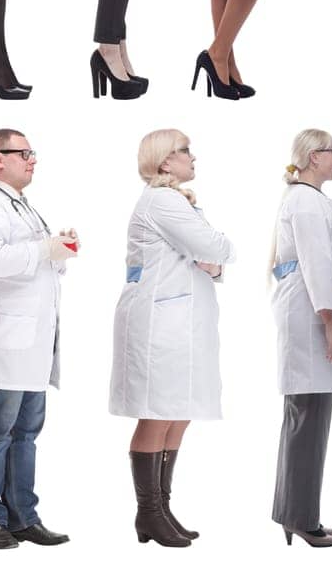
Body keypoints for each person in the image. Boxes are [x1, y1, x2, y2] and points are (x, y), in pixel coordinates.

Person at [110, 129, 236, 547]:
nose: (192, 157)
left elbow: (213, 262)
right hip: (159, 323)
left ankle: (162, 508)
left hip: (183, 320)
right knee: (158, 411)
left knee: (180, 410)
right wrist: (215, 257)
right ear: (164, 161)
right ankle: (148, 513)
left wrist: (214, 262)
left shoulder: (178, 201)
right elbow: (217, 246)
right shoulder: (162, 200)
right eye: (184, 151)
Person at [0, 129, 77, 549]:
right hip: (4, 342)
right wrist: (44, 248)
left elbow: (36, 261)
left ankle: (23, 516)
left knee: (26, 433)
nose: (32, 159)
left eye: (32, 152)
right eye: (23, 153)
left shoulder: (23, 207)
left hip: (33, 342)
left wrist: (56, 251)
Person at [270, 130, 332, 547]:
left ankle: (295, 512)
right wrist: (330, 323)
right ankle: (299, 517)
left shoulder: (311, 199)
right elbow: (316, 265)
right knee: (307, 420)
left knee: (307, 419)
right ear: (314, 157)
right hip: (311, 319)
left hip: (310, 315)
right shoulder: (306, 202)